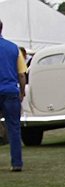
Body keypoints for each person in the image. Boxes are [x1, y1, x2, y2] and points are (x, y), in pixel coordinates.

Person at [0, 20, 25, 172]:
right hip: (10, 91)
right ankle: (16, 163)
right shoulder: (13, 48)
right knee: (14, 128)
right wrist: (22, 91)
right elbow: (21, 74)